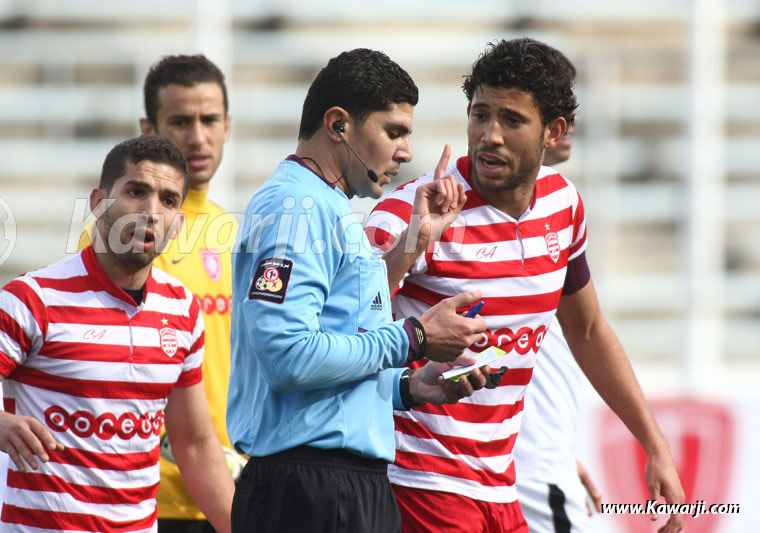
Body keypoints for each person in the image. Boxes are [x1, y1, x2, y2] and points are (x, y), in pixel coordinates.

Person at [365, 38, 685, 533]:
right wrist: (412, 243)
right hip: (417, 475)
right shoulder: (411, 211)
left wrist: (655, 445)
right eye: (480, 114)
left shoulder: (564, 205)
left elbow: (589, 330)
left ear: (553, 131)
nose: (489, 135)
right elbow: (343, 333)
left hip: (501, 482)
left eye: (511, 120)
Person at [227, 48, 492, 533]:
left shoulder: (324, 204)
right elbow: (287, 356)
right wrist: (412, 338)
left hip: (336, 484)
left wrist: (407, 386)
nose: (407, 151)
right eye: (394, 132)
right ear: (338, 125)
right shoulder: (297, 206)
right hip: (309, 489)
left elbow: (339, 336)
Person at [0, 136, 234, 532]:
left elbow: (193, 444)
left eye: (169, 200)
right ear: (98, 202)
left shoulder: (183, 310)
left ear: (179, 225)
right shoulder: (32, 299)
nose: (151, 212)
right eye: (136, 191)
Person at [78, 54, 239, 533]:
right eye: (180, 121)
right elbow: (103, 362)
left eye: (209, 119)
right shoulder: (117, 235)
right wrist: (176, 443)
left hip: (231, 487)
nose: (196, 136)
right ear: (149, 126)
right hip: (149, 495)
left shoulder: (235, 233)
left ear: (227, 125)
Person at [514, 115, 604, 533]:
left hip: (529, 456)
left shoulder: (560, 206)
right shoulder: (477, 217)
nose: (570, 122)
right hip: (524, 468)